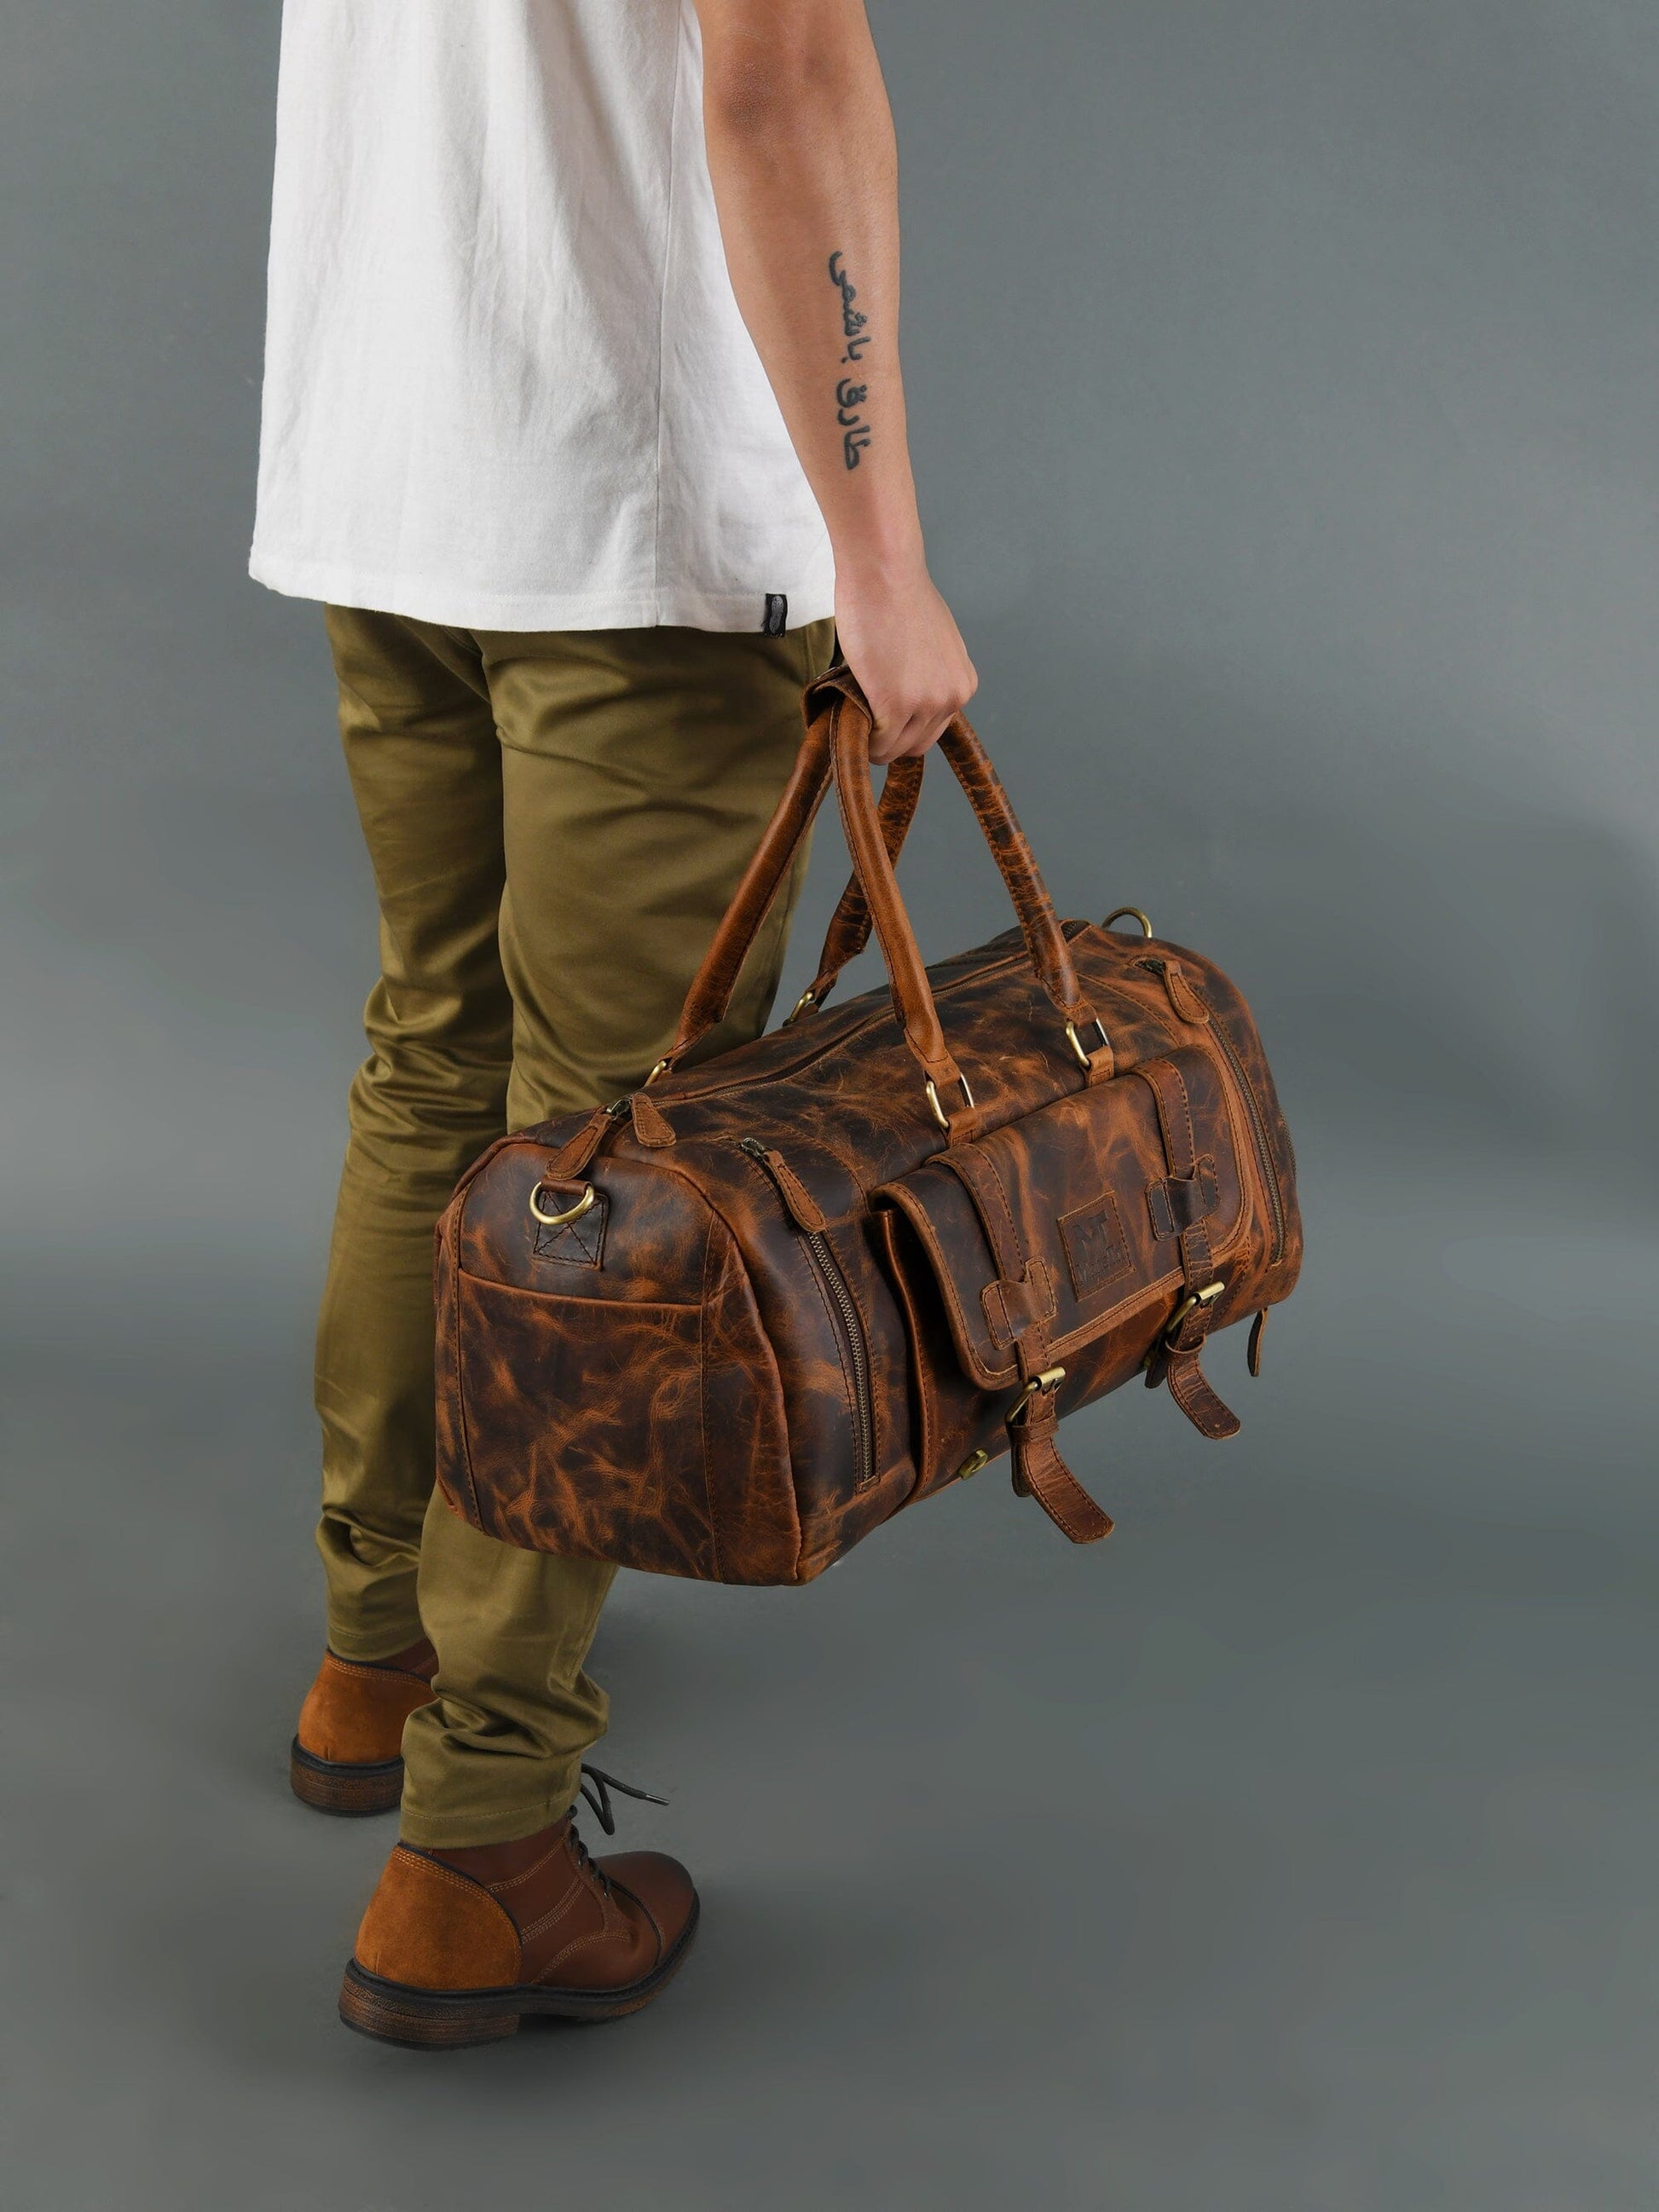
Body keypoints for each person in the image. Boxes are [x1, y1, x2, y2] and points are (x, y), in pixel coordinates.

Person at [251, 0, 975, 2047]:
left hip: (387, 453)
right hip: (629, 510)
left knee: (437, 1067)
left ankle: (380, 1652)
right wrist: (880, 557)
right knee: (597, 1173)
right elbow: (779, 73)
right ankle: (482, 1847)